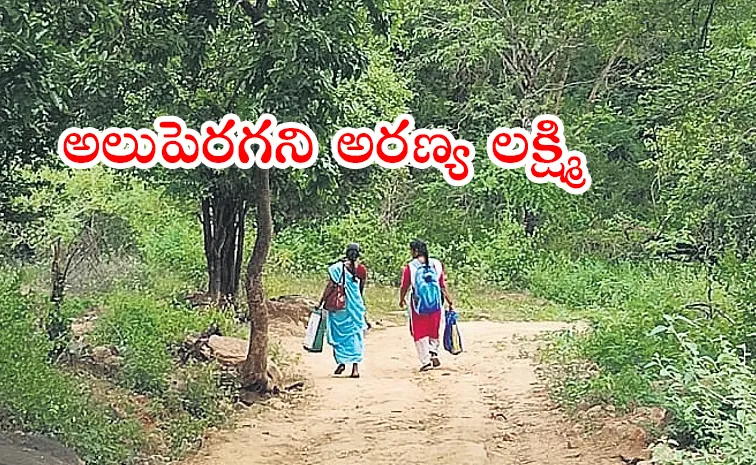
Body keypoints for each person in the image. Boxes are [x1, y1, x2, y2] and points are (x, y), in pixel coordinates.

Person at [399, 239, 454, 371]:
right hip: (436, 303)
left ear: (415, 251)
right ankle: (433, 351)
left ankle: (425, 361)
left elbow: (404, 286)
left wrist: (401, 299)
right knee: (433, 328)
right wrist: (449, 301)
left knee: (419, 330)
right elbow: (442, 285)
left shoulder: (411, 267)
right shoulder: (436, 264)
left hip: (418, 305)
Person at [318, 243, 367, 378]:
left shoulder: (337, 268)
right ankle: (355, 368)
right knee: (355, 335)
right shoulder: (362, 270)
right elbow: (360, 290)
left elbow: (330, 286)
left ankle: (341, 362)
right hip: (354, 308)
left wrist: (321, 301)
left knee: (338, 334)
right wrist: (357, 302)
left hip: (339, 307)